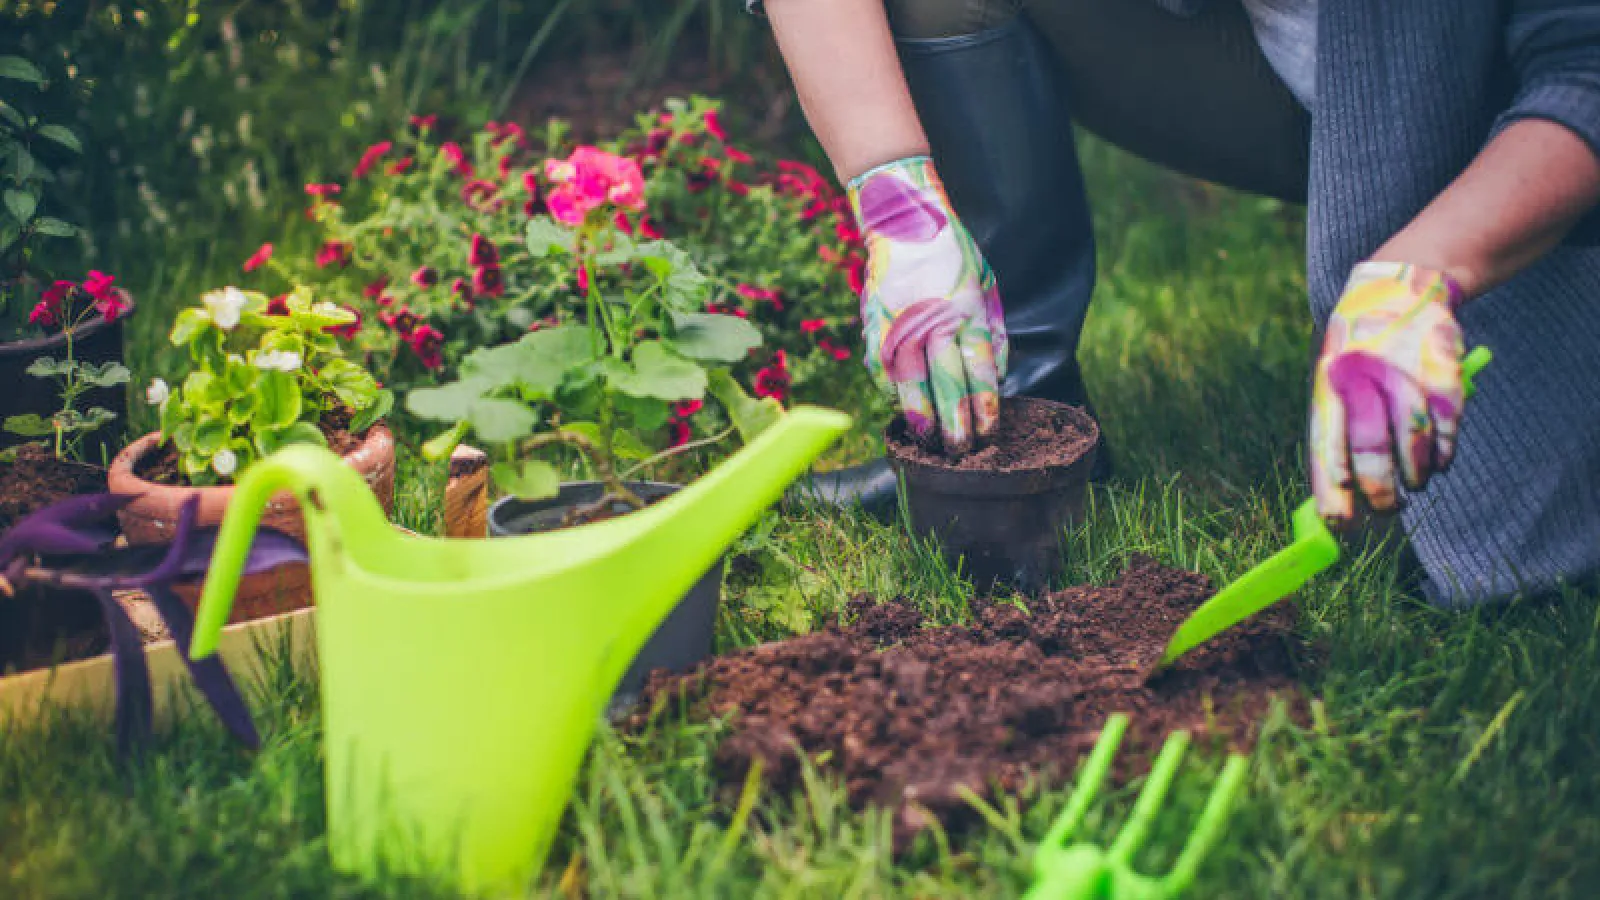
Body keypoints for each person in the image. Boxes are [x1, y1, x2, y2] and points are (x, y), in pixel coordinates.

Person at [753, 0, 1600, 606]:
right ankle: (1019, 424)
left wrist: (1428, 268)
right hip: (1248, 63)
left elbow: (1583, 69)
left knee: (1434, 531)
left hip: (1472, 115)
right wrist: (895, 198)